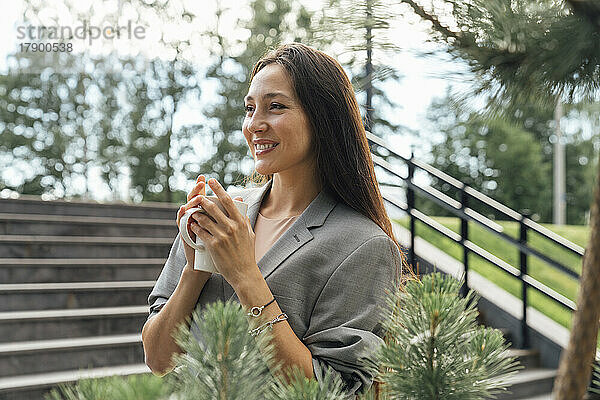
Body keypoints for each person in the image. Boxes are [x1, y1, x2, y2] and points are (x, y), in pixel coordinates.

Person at [141, 42, 404, 397]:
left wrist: (245, 275)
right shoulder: (223, 215)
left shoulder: (364, 246)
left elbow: (332, 391)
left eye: (275, 107)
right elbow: (158, 358)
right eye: (250, 109)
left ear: (323, 118)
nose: (254, 125)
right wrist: (196, 268)